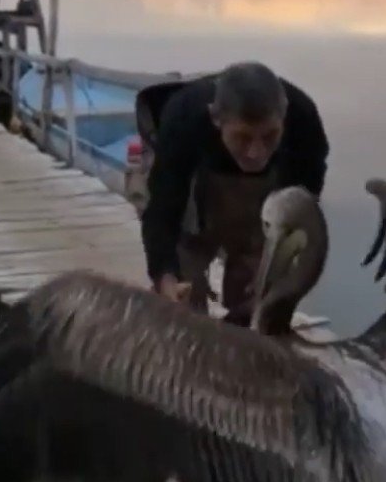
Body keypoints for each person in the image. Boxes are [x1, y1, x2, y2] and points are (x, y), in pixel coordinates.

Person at [138, 61, 329, 326]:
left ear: (284, 115)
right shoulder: (184, 117)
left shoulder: (303, 120)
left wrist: (276, 268)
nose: (256, 152)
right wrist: (165, 277)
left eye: (270, 136)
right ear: (216, 119)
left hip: (263, 200)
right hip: (194, 190)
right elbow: (162, 209)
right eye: (243, 137)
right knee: (182, 305)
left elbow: (302, 208)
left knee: (257, 295)